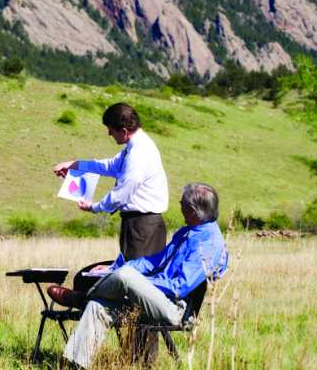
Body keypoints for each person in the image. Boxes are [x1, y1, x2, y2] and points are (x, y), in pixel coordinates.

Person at [49, 183, 229, 369]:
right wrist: (115, 268)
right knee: (97, 306)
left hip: (175, 308)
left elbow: (178, 286)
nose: (179, 204)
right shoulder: (187, 232)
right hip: (156, 299)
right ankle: (74, 365)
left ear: (192, 210)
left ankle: (81, 297)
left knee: (126, 276)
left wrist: (138, 281)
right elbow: (154, 261)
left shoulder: (209, 243)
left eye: (181, 202)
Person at [52, 102, 169, 261]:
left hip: (142, 227)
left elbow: (122, 193)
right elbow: (108, 166)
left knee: (136, 280)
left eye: (111, 130)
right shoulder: (135, 147)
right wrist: (74, 164)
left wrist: (94, 207)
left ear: (124, 131)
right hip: (140, 225)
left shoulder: (139, 153)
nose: (109, 134)